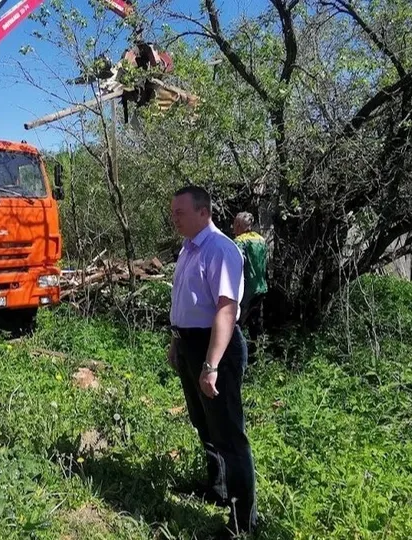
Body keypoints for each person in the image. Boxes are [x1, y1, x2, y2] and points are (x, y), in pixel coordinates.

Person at [168, 186, 257, 538]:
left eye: (180, 212)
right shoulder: (188, 249)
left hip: (214, 347)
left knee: (229, 434)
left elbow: (226, 309)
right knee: (203, 422)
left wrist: (211, 365)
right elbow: (184, 301)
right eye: (173, 213)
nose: (175, 219)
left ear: (203, 212)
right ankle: (218, 489)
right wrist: (176, 342)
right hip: (189, 344)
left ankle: (242, 521)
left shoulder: (220, 249)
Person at [232, 211, 267, 356]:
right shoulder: (261, 239)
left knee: (237, 323)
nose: (233, 227)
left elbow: (235, 264)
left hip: (246, 289)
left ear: (239, 225)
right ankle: (258, 353)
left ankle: (238, 354)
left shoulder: (239, 242)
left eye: (235, 224)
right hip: (261, 287)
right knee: (256, 322)